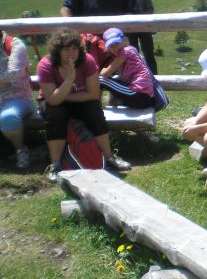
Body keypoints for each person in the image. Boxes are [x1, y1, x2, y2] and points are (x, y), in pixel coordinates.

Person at [36, 29, 131, 180]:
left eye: (74, 48)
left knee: (94, 110)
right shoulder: (45, 64)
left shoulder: (87, 60)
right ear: (57, 51)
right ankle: (55, 164)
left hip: (76, 99)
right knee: (55, 114)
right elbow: (52, 100)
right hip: (54, 103)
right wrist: (69, 79)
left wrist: (62, 96)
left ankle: (109, 156)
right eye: (66, 49)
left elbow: (93, 94)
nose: (71, 53)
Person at [60, 0, 139, 69]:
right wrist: (70, 28)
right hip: (90, 48)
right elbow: (66, 7)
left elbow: (134, 14)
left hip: (118, 48)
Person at [0, 31, 34, 168]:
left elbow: (14, 75)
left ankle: (20, 149)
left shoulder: (14, 45)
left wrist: (7, 79)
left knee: (8, 117)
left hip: (19, 97)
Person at [98, 28, 156, 109]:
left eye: (117, 43)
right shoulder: (132, 50)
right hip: (145, 97)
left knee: (100, 79)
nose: (115, 48)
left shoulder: (125, 52)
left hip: (139, 94)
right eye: (111, 45)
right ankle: (101, 107)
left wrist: (103, 70)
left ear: (124, 40)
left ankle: (96, 107)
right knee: (114, 81)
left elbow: (105, 74)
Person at [121, 0, 158, 75]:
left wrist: (139, 17)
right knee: (133, 53)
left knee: (148, 53)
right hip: (130, 29)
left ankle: (154, 76)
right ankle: (136, 75)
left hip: (144, 28)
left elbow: (150, 9)